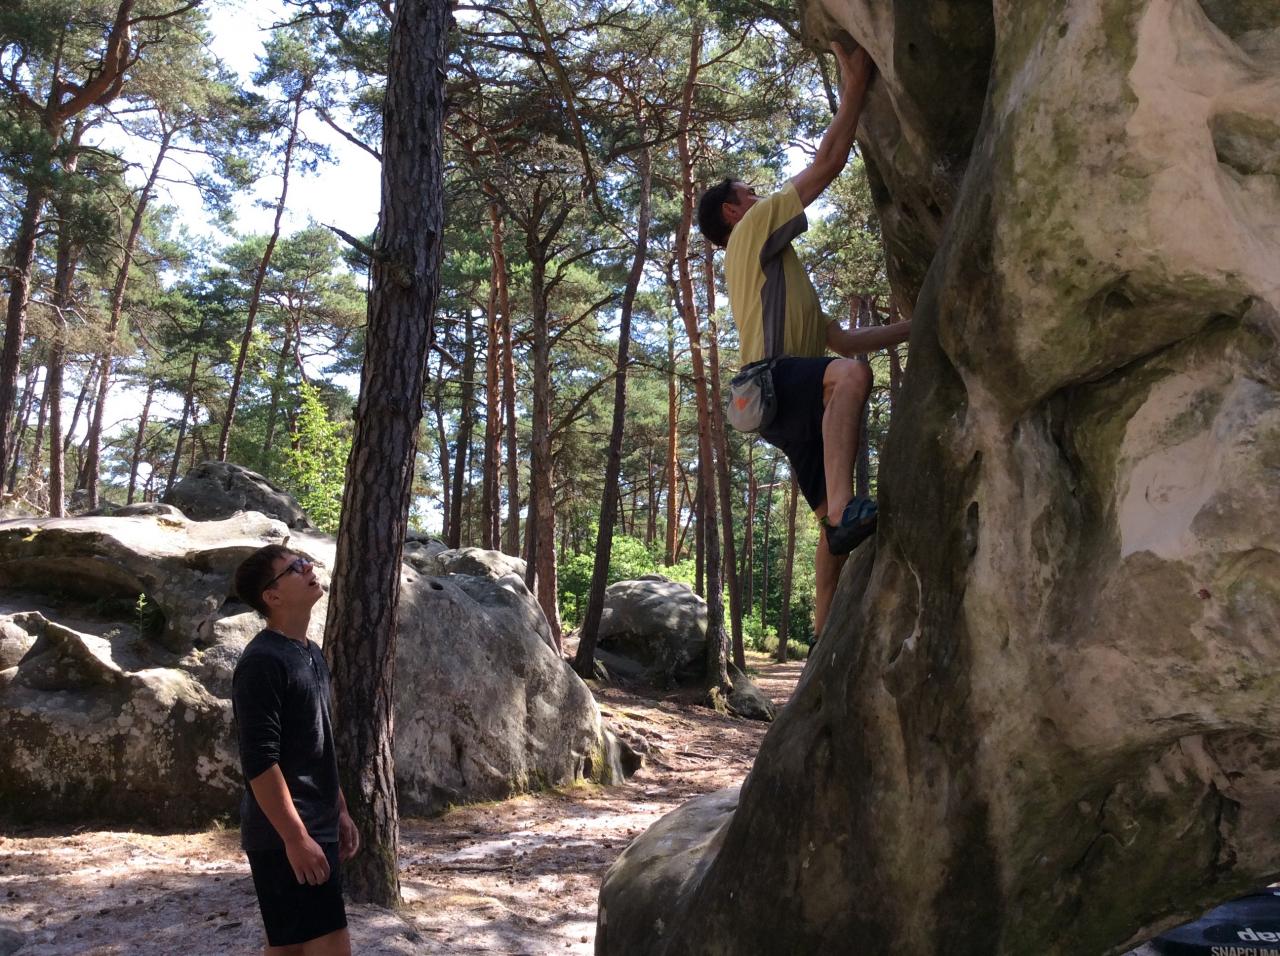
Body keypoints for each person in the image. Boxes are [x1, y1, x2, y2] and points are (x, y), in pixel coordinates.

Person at [696, 41, 911, 638]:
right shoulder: (750, 235)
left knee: (829, 536)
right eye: (747, 192)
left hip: (776, 408)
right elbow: (826, 166)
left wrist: (920, 324)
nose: (758, 195)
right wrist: (857, 85)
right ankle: (843, 509)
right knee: (848, 383)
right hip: (769, 382)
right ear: (736, 213)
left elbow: (845, 340)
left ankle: (821, 643)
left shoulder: (783, 280)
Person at [232, 545, 359, 956]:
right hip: (285, 834)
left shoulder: (310, 653)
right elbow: (259, 761)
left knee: (289, 948)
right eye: (295, 567)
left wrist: (337, 809)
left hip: (314, 826)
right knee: (327, 946)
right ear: (272, 595)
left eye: (305, 561)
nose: (309, 568)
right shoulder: (262, 661)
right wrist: (295, 837)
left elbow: (316, 742)